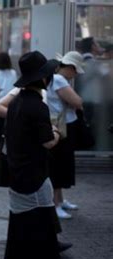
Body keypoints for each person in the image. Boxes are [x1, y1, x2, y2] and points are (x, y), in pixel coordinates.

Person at [4, 51, 63, 259]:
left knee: (20, 223)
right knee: (42, 226)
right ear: (43, 78)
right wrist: (56, 132)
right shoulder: (38, 106)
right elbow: (48, 142)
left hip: (16, 172)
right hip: (36, 176)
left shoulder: (16, 102)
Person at [47, 51, 85, 219]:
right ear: (70, 67)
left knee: (61, 165)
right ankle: (55, 204)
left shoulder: (55, 78)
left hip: (63, 127)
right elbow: (77, 101)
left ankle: (60, 200)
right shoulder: (59, 80)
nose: (75, 74)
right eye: (75, 70)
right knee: (59, 165)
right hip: (62, 128)